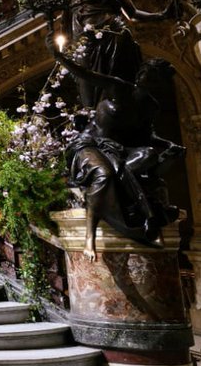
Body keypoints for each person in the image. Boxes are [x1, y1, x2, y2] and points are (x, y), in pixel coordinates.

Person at [52, 41, 182, 261]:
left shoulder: (150, 106)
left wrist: (169, 146)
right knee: (105, 174)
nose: (144, 75)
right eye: (145, 71)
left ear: (159, 84)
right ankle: (89, 237)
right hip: (89, 145)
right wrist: (59, 56)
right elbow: (84, 74)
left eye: (152, 76)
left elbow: (146, 136)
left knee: (149, 154)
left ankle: (142, 213)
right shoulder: (118, 87)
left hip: (118, 150)